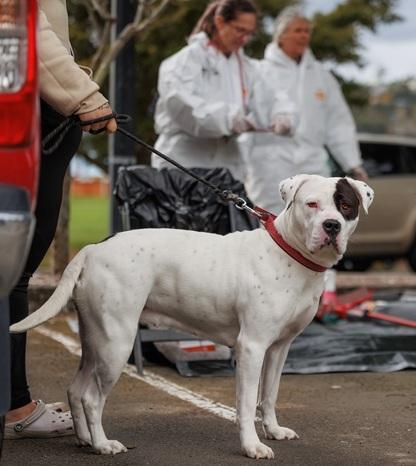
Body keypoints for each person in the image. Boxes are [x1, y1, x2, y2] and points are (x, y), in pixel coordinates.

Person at [5, 0, 117, 439]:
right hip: (25, 112)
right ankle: (14, 407)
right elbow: (17, 23)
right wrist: (84, 96)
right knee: (8, 272)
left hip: (32, 110)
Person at [242, 6, 368, 214]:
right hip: (269, 165)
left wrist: (353, 163)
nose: (304, 35)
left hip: (313, 164)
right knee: (269, 224)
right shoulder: (260, 72)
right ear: (281, 36)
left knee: (314, 225)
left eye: (307, 31)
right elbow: (246, 121)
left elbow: (338, 122)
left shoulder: (321, 77)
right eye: (297, 30)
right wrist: (241, 164)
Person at [152, 0, 294, 180]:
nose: (244, 39)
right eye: (239, 30)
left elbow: (273, 95)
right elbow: (181, 104)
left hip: (228, 166)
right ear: (219, 22)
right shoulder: (184, 61)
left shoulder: (247, 67)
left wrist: (282, 115)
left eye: (249, 33)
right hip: (183, 163)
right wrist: (229, 119)